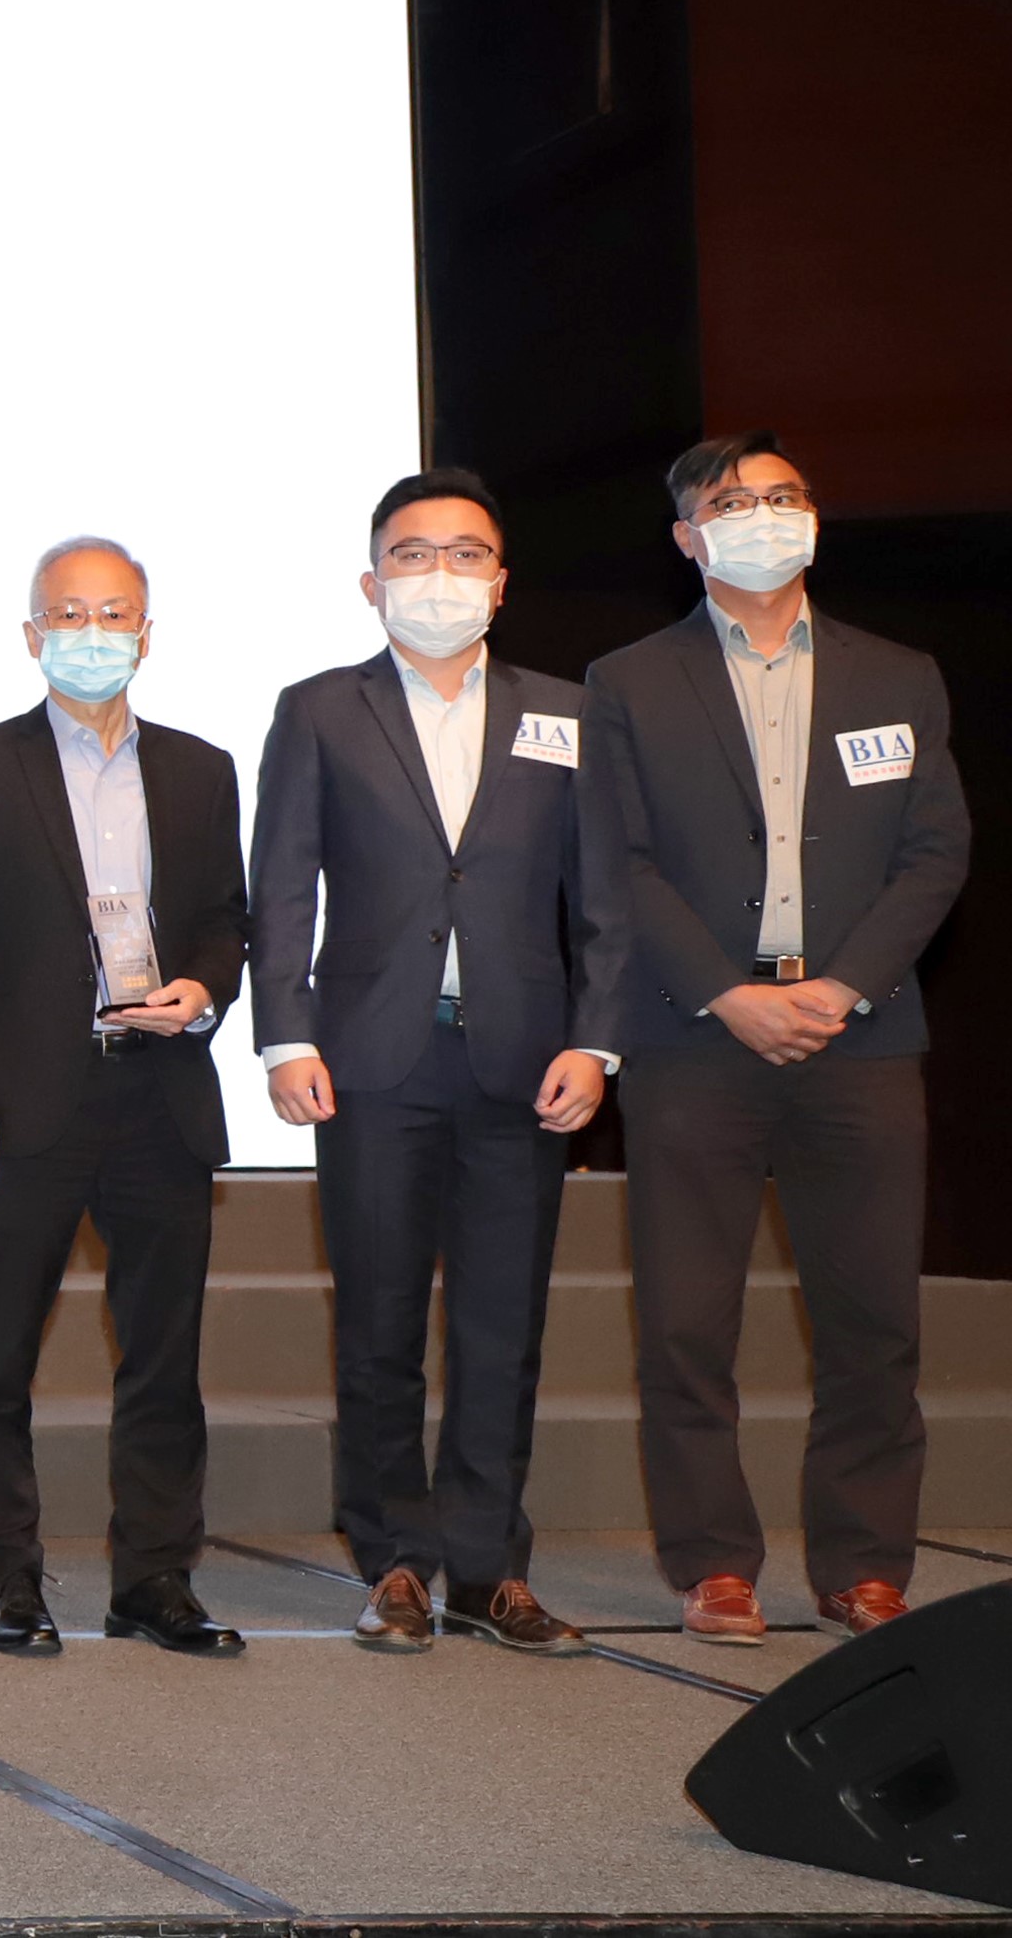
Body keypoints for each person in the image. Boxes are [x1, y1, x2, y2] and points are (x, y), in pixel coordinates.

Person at [581, 433, 968, 1643]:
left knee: (872, 1322)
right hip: (693, 1038)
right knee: (684, 1325)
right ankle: (712, 1564)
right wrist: (724, 992)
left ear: (812, 518)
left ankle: (862, 1567)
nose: (761, 515)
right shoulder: (626, 681)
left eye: (781, 495)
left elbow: (934, 853)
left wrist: (843, 986)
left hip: (860, 1036)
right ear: (686, 538)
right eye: (730, 502)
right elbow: (615, 863)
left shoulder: (895, 674)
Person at [249, 472, 615, 1655]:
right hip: (369, 1061)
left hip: (523, 1060)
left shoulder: (565, 712)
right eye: (411, 555)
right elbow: (281, 885)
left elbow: (603, 898)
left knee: (501, 1331)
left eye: (464, 554)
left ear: (499, 583)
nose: (438, 575)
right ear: (371, 582)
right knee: (378, 1325)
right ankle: (395, 1561)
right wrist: (286, 1034)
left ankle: (489, 1569)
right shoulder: (318, 710)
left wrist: (594, 1039)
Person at [0, 536, 249, 1657]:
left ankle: (154, 1578)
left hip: (161, 1095)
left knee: (163, 1359)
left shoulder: (200, 769)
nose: (91, 634)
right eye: (68, 615)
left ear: (145, 635)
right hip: (23, 1105)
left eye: (112, 615)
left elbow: (224, 919)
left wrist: (203, 987)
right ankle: (4, 1575)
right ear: (31, 635)